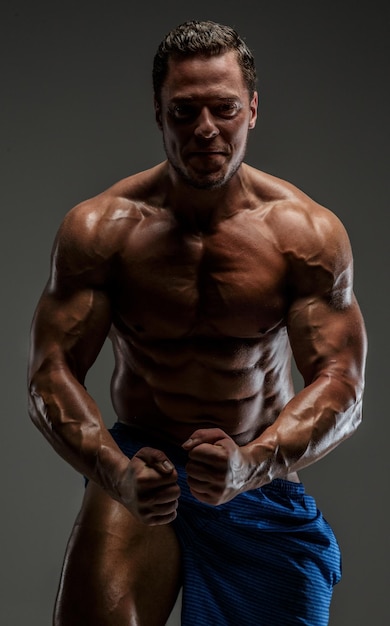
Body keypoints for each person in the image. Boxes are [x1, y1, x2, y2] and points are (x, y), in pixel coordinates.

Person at [28, 20, 367, 626]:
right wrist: (115, 473)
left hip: (259, 472)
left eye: (224, 108)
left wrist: (252, 462)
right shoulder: (102, 231)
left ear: (253, 110)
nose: (205, 128)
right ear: (159, 115)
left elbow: (343, 381)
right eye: (184, 112)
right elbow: (50, 374)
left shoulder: (306, 236)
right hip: (144, 468)